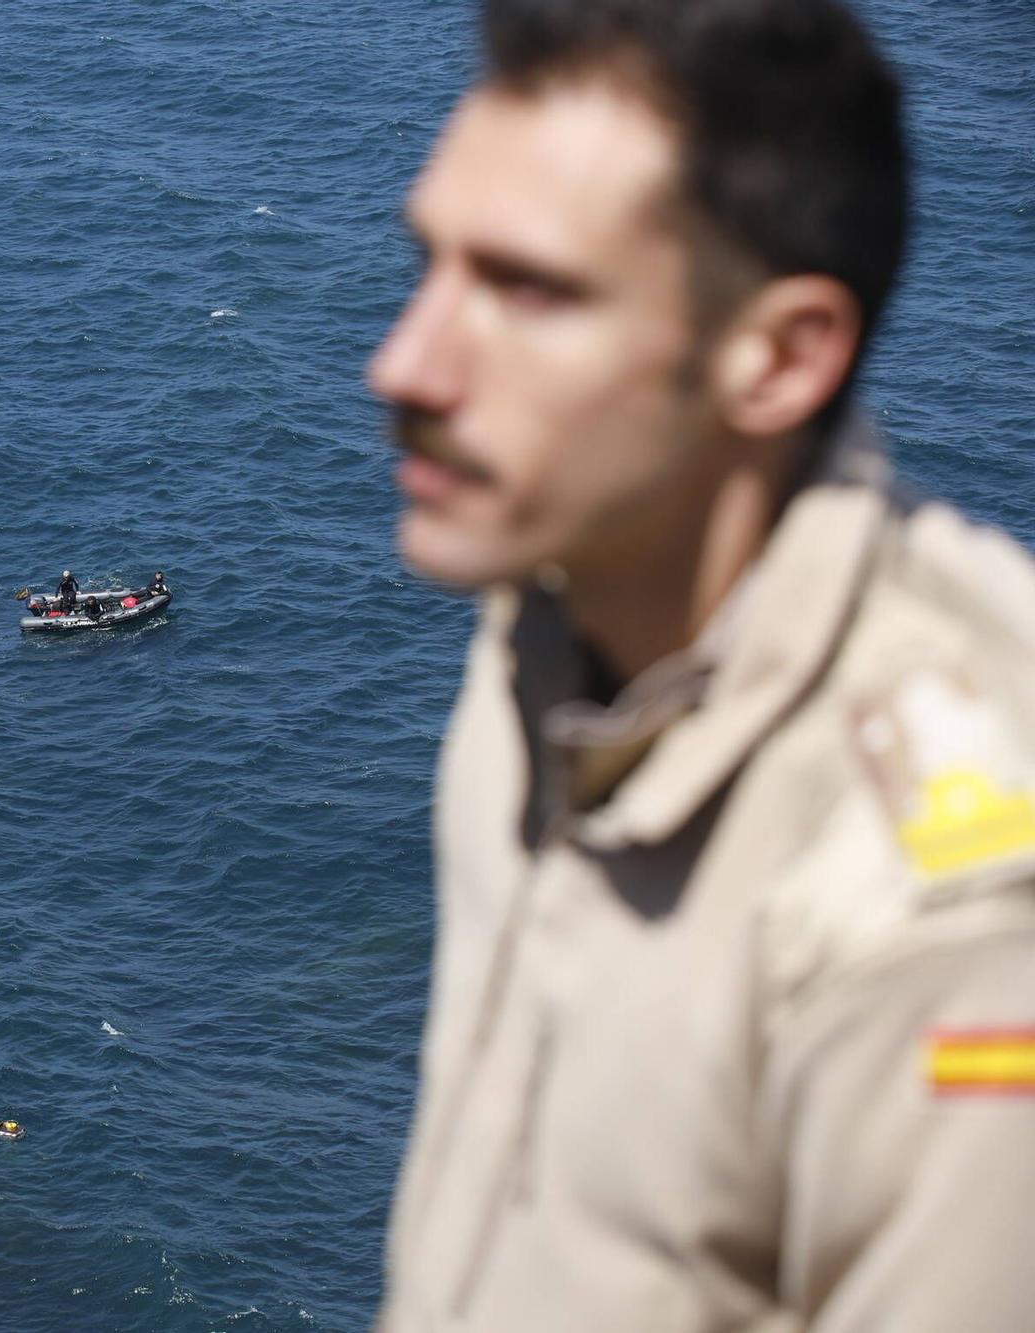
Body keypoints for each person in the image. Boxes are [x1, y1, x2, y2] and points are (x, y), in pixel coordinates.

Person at [366, 2, 1035, 1329]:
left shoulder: (943, 919)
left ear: (780, 358)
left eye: (530, 290)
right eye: (430, 265)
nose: (406, 363)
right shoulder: (555, 625)